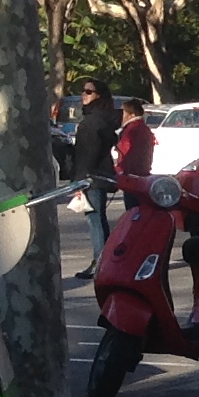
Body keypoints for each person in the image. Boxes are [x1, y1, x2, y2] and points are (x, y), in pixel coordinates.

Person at [70, 81, 118, 263]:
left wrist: (79, 181)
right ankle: (103, 260)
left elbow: (87, 154)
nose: (84, 94)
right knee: (99, 218)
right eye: (83, 91)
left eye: (89, 91)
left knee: (94, 219)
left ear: (99, 95)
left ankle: (100, 261)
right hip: (99, 176)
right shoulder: (102, 119)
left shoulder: (92, 122)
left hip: (91, 178)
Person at [113, 100, 155, 182]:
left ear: (132, 115)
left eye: (123, 112)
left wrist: (119, 169)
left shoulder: (131, 129)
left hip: (130, 173)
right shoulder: (144, 128)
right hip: (142, 171)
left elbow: (125, 152)